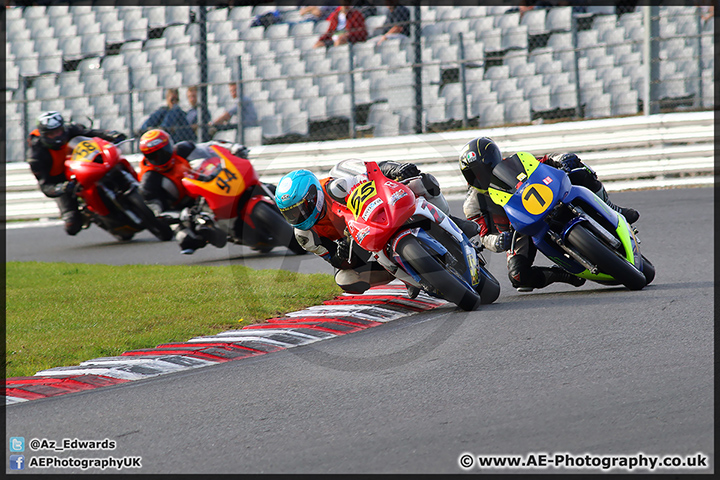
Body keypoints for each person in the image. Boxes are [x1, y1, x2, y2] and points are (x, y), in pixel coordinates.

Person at [459, 136, 640, 292]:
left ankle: (613, 208)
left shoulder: (516, 164)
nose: (483, 175)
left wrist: (563, 159)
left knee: (578, 171)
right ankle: (562, 273)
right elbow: (483, 236)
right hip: (520, 228)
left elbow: (545, 160)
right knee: (519, 276)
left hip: (553, 195)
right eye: (475, 174)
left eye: (486, 167)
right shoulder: (473, 203)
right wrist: (497, 241)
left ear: (495, 158)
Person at [274, 160, 480, 297]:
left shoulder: (336, 184)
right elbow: (333, 260)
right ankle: (406, 275)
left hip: (378, 208)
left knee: (421, 182)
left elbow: (374, 169)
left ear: (313, 195)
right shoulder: (304, 235)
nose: (298, 216)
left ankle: (453, 221)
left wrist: (397, 169)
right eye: (291, 214)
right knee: (345, 279)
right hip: (357, 242)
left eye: (301, 209)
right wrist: (342, 256)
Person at [26, 111, 127, 235]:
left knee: (114, 165)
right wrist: (61, 188)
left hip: (84, 165)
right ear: (43, 135)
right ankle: (92, 215)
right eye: (51, 134)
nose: (57, 135)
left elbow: (91, 133)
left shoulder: (70, 129)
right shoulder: (36, 156)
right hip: (62, 179)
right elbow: (45, 185)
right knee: (72, 226)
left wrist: (111, 135)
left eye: (58, 131)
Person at [137, 129, 197, 215]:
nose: (160, 158)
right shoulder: (149, 179)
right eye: (153, 156)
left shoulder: (184, 149)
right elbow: (156, 211)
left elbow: (207, 151)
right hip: (182, 212)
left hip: (203, 194)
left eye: (164, 152)